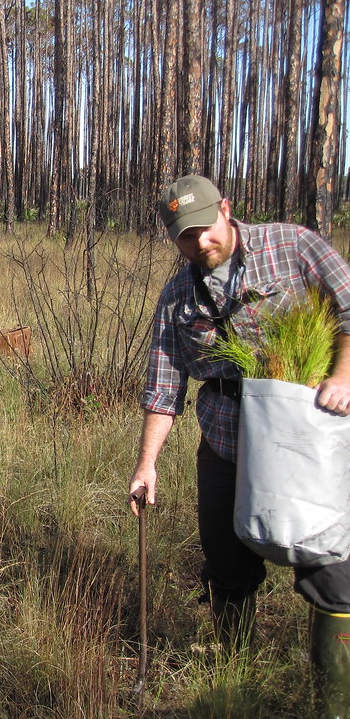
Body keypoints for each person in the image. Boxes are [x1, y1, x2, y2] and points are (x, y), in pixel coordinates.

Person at [127, 174, 350, 713]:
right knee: (228, 565)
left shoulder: (292, 246)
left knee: (331, 566)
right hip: (226, 443)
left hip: (305, 441)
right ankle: (237, 687)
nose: (199, 243)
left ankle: (336, 702)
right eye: (185, 237)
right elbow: (165, 383)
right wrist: (147, 464)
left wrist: (343, 376)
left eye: (205, 229)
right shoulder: (178, 294)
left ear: (226, 210)